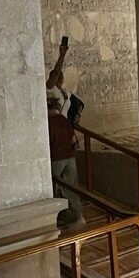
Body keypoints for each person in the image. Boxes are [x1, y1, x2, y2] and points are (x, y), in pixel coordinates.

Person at [48, 96, 83, 227]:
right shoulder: (63, 119)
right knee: (72, 187)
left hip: (56, 158)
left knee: (55, 187)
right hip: (69, 157)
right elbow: (74, 140)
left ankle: (57, 217)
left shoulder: (47, 123)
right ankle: (76, 215)